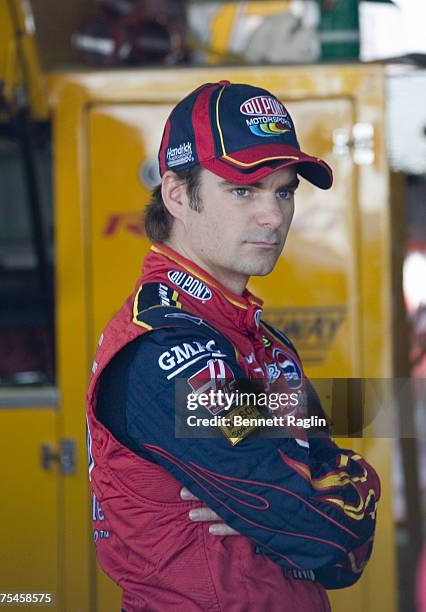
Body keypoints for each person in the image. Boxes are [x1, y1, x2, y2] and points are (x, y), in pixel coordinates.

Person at [86, 80, 381, 612]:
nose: (273, 215)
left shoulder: (263, 345)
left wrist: (315, 505)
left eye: (284, 190)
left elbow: (342, 558)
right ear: (177, 194)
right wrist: (340, 496)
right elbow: (318, 530)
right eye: (242, 190)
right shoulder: (164, 348)